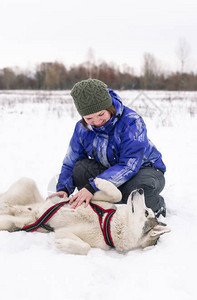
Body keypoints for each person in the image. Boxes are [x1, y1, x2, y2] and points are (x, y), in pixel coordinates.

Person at [47, 79, 167, 217]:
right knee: (79, 169)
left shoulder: (132, 121)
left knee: (135, 189)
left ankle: (156, 205)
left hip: (145, 172)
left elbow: (130, 165)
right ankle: (106, 202)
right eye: (89, 118)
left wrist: (92, 187)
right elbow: (71, 161)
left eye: (101, 114)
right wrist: (64, 189)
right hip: (109, 172)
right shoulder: (82, 128)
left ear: (109, 107)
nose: (97, 122)